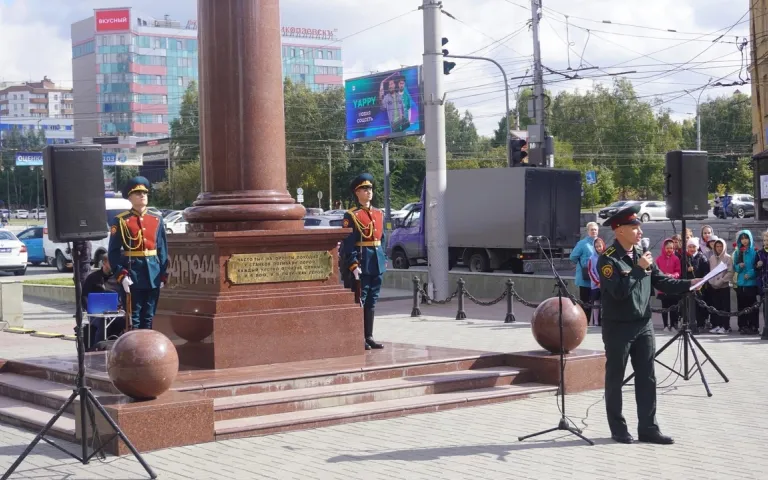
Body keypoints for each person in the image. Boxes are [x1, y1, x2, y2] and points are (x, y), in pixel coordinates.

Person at [597, 204, 700, 445]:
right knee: (615, 379)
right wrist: (638, 269)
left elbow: (661, 281)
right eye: (635, 227)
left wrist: (691, 284)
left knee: (647, 377)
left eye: (639, 227)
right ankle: (618, 428)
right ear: (619, 230)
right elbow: (619, 292)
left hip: (643, 324)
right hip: (618, 327)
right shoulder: (608, 259)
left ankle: (648, 428)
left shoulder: (640, 255)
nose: (640, 232)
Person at [108, 176, 169, 330]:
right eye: (137, 193)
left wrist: (163, 273)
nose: (142, 195)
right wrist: (121, 274)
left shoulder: (156, 219)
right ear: (130, 197)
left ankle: (147, 345)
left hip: (153, 273)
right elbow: (113, 252)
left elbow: (162, 249)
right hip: (133, 273)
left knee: (149, 316)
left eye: (144, 193)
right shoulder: (121, 221)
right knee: (133, 318)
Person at [342, 173, 387, 350]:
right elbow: (348, 243)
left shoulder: (379, 213)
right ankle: (357, 336)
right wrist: (353, 264)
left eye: (370, 189)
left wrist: (384, 258)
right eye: (364, 189)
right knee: (360, 299)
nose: (368, 192)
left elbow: (382, 239)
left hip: (376, 263)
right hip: (363, 262)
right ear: (357, 192)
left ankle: (369, 336)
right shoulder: (352, 215)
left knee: (372, 301)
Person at [82, 253, 124, 347]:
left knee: (125, 321)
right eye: (111, 263)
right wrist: (90, 309)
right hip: (96, 314)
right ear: (104, 263)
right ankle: (98, 348)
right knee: (104, 320)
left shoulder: (118, 278)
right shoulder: (93, 278)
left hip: (116, 312)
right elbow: (84, 296)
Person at [570, 221, 599, 321]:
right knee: (585, 301)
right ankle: (584, 321)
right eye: (592, 230)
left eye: (595, 230)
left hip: (597, 277)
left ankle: (595, 322)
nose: (594, 231)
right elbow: (573, 256)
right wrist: (582, 265)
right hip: (585, 277)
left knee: (596, 301)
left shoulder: (599, 242)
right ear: (588, 231)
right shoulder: (582, 243)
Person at [732, 230, 760, 335]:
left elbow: (757, 267)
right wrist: (739, 266)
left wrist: (751, 274)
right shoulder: (738, 252)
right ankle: (743, 325)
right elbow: (735, 267)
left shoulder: (755, 252)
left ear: (750, 239)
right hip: (741, 283)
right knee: (741, 306)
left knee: (752, 306)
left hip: (751, 283)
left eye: (746, 238)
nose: (744, 241)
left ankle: (753, 325)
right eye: (742, 238)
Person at [683, 238, 710, 332]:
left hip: (700, 286)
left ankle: (700, 324)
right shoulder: (685, 258)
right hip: (689, 285)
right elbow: (682, 272)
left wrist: (702, 282)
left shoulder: (702, 257)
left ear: (697, 247)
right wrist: (687, 270)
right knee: (690, 306)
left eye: (694, 247)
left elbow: (706, 272)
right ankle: (690, 324)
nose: (692, 249)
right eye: (690, 247)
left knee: (700, 306)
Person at [656, 238, 681, 332]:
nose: (669, 250)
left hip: (673, 285)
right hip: (663, 286)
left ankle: (673, 325)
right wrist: (662, 276)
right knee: (664, 308)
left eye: (671, 248)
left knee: (673, 307)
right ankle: (665, 325)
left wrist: (672, 275)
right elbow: (656, 271)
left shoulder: (676, 259)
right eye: (667, 248)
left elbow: (678, 272)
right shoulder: (659, 259)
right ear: (663, 248)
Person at [708, 236, 732, 334]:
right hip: (714, 287)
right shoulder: (712, 258)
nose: (719, 248)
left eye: (721, 246)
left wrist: (721, 280)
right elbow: (710, 272)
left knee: (724, 307)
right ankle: (716, 325)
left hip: (724, 286)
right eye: (717, 246)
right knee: (715, 306)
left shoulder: (728, 258)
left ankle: (725, 326)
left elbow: (730, 272)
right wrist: (712, 282)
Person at [586, 237, 605, 326]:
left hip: (606, 284)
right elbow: (590, 271)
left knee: (605, 302)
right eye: (596, 247)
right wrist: (597, 282)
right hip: (596, 285)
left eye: (600, 246)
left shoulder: (606, 256)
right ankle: (596, 321)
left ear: (603, 245)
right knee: (596, 302)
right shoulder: (592, 258)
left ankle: (603, 319)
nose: (598, 248)